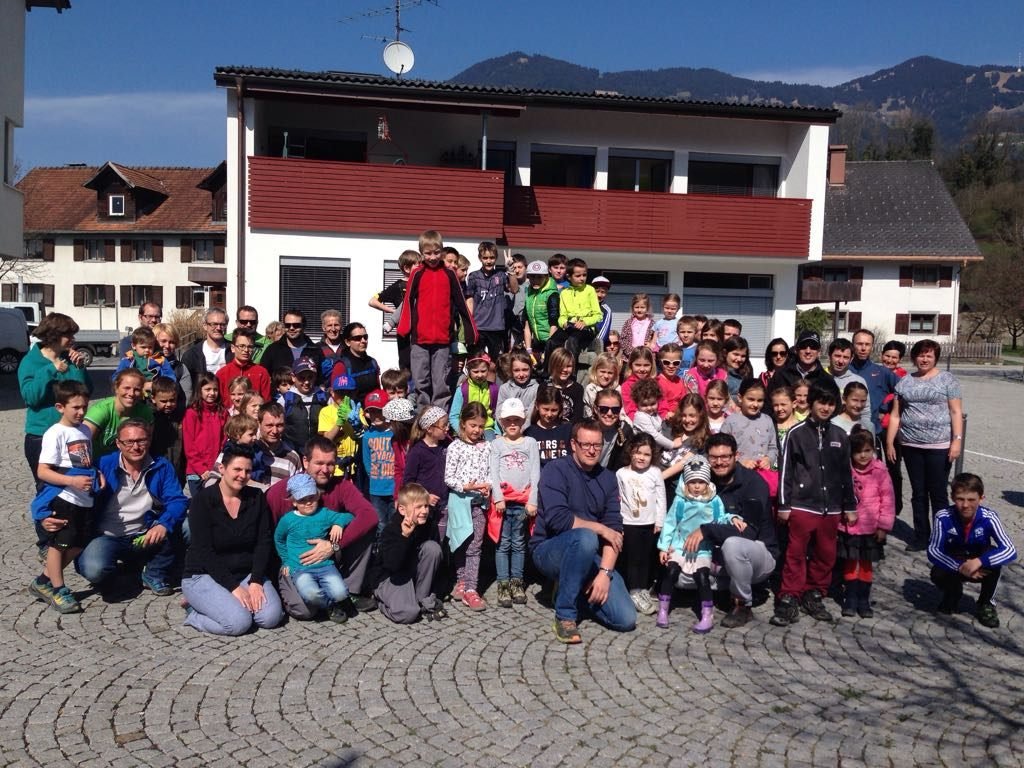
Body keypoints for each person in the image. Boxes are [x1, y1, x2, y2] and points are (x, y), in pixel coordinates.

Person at [531, 419, 637, 644]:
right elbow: (559, 520)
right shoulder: (555, 470)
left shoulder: (608, 479)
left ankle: (571, 589)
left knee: (625, 619)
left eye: (596, 445)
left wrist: (604, 574)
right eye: (585, 444)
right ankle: (565, 616)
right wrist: (600, 529)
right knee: (586, 537)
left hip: (590, 554)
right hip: (550, 550)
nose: (591, 450)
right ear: (573, 444)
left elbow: (615, 531)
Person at [772, 380, 856, 626]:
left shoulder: (840, 435)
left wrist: (849, 506)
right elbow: (786, 470)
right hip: (802, 506)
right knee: (795, 553)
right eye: (821, 402)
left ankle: (815, 591)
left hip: (830, 508)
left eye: (831, 404)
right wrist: (785, 505)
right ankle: (790, 595)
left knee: (826, 553)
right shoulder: (795, 433)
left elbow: (846, 473)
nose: (826, 408)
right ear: (811, 403)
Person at [266, 438, 378, 618]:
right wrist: (282, 566)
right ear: (305, 461)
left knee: (365, 528)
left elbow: (369, 515)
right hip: (295, 561)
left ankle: (350, 591)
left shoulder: (341, 485)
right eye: (319, 463)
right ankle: (322, 597)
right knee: (304, 611)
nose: (325, 470)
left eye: (330, 464)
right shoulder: (280, 492)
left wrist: (333, 545)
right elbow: (269, 535)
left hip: (328, 557)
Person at [75, 420, 188, 597]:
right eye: (129, 442)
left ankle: (154, 571)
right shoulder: (102, 465)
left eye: (141, 441)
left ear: (149, 441)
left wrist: (163, 525)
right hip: (108, 536)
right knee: (94, 569)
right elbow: (71, 494)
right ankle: (122, 574)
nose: (136, 447)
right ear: (118, 444)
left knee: (188, 525)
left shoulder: (161, 465)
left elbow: (177, 500)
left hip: (146, 532)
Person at [181, 442, 284, 635]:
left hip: (244, 572)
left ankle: (223, 604)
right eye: (237, 469)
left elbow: (264, 542)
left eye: (248, 471)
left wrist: (256, 581)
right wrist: (234, 588)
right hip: (204, 574)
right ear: (222, 468)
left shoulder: (256, 498)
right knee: (238, 623)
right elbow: (204, 551)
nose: (243, 476)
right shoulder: (203, 501)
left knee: (270, 618)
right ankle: (194, 612)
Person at [28, 381, 103, 614]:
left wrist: (97, 473)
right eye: (76, 407)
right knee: (59, 544)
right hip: (64, 498)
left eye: (85, 406)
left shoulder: (83, 431)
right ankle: (58, 589)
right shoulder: (55, 433)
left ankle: (43, 581)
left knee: (79, 543)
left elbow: (84, 461)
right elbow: (43, 471)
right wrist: (72, 481)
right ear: (60, 407)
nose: (81, 412)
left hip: (84, 498)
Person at [885, 339, 963, 551]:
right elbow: (895, 415)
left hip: (939, 445)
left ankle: (942, 538)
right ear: (914, 357)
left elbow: (956, 412)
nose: (924, 359)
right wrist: (890, 441)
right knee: (918, 493)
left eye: (929, 355)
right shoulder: (905, 382)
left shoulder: (947, 380)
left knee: (937, 493)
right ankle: (921, 536)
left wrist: (957, 441)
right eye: (921, 355)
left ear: (935, 357)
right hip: (911, 444)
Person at [703, 433, 778, 628]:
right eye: (714, 458)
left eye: (725, 457)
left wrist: (705, 530)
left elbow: (749, 532)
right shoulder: (704, 482)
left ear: (736, 456)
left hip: (757, 554)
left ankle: (743, 604)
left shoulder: (754, 483)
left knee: (733, 545)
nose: (719, 463)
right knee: (682, 578)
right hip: (716, 555)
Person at [397, 230, 478, 407]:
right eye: (428, 253)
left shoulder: (449, 274)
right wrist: (404, 328)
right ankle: (423, 416)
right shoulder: (417, 273)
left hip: (442, 339)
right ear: (421, 253)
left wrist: (471, 329)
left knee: (441, 381)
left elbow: (461, 302)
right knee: (421, 380)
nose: (432, 257)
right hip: (419, 338)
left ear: (442, 251)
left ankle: (440, 417)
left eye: (436, 253)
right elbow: (408, 301)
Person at [656, 456, 736, 633]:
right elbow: (670, 523)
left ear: (707, 482)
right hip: (680, 545)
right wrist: (664, 546)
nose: (697, 486)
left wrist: (732, 518)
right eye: (693, 482)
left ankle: (707, 613)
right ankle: (663, 609)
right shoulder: (680, 501)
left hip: (702, 548)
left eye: (701, 482)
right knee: (671, 572)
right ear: (686, 483)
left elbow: (721, 519)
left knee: (702, 577)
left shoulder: (714, 501)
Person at [928, 473, 1017, 628]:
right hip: (955, 561)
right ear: (952, 497)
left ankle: (986, 604)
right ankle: (953, 593)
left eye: (971, 500)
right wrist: (960, 567)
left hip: (979, 560)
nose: (965, 505)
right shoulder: (943, 517)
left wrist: (979, 561)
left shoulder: (989, 517)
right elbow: (933, 550)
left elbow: (1010, 549)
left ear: (981, 498)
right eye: (960, 499)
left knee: (995, 560)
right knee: (937, 573)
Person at [19, 312, 92, 489]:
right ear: (53, 336)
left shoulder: (69, 359)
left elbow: (85, 392)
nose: (73, 339)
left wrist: (80, 368)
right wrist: (50, 370)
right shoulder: (30, 362)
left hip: (73, 433)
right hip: (41, 435)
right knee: (48, 488)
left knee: (76, 483)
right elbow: (31, 397)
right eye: (69, 335)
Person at [273, 473, 356, 622]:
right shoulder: (288, 520)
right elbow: (278, 539)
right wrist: (286, 561)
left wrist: (339, 523)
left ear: (317, 496)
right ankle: (331, 606)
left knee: (341, 591)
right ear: (294, 502)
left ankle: (342, 600)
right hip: (300, 568)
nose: (308, 503)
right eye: (302, 499)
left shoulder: (324, 514)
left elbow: (349, 516)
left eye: (311, 497)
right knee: (310, 594)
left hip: (325, 566)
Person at [488, 398, 540, 608]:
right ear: (501, 421)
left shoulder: (530, 443)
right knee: (502, 544)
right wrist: (498, 497)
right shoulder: (497, 444)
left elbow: (536, 473)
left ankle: (517, 582)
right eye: (508, 420)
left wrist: (533, 499)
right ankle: (503, 583)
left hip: (523, 502)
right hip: (504, 503)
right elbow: (493, 472)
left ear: (523, 421)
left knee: (519, 543)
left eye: (516, 420)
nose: (512, 424)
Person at [839, 428, 895, 619]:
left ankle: (863, 599)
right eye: (858, 452)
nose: (863, 456)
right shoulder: (845, 471)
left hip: (871, 527)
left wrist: (884, 526)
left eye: (867, 451)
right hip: (849, 527)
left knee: (865, 564)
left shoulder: (880, 471)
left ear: (873, 450)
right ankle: (850, 597)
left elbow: (887, 500)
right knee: (849, 562)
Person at [372, 482, 447, 623]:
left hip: (411, 575)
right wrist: (404, 537)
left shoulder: (429, 524)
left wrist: (438, 589)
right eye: (418, 507)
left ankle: (420, 598)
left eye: (426, 506)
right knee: (408, 614)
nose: (424, 511)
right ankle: (381, 601)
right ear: (402, 509)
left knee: (433, 548)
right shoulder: (392, 529)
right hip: (390, 577)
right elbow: (392, 565)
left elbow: (435, 560)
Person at [444, 402, 492, 611]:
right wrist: (465, 486)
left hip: (478, 504)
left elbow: (490, 472)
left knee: (475, 546)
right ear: (463, 424)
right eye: (473, 425)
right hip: (459, 502)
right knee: (460, 542)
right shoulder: (455, 447)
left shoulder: (487, 447)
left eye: (480, 426)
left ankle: (472, 589)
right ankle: (461, 579)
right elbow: (448, 478)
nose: (477, 430)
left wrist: (488, 486)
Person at [615, 433, 666, 616]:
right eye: (638, 453)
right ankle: (633, 590)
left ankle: (642, 588)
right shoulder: (622, 473)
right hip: (629, 523)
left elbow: (661, 499)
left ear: (652, 456)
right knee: (631, 558)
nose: (641, 458)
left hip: (649, 523)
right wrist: (618, 523)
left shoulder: (655, 473)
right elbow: (619, 500)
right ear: (630, 452)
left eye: (646, 454)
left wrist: (660, 521)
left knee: (645, 558)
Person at [83, 369, 153, 458]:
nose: (131, 393)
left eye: (137, 389)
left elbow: (147, 445)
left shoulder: (145, 412)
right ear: (116, 388)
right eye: (127, 388)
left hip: (131, 463)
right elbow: (81, 446)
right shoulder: (100, 411)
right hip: (98, 464)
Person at [466, 241, 518, 359]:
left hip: (496, 326)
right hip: (478, 326)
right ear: (480, 258)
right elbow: (469, 299)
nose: (488, 261)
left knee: (494, 364)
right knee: (476, 361)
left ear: (496, 258)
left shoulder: (501, 275)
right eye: (485, 258)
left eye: (492, 257)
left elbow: (514, 289)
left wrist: (511, 271)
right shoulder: (473, 276)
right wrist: (470, 322)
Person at [369, 250, 419, 371]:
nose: (421, 268)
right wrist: (394, 312)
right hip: (405, 332)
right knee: (406, 364)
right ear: (407, 268)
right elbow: (372, 301)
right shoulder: (398, 286)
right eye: (418, 265)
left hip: (420, 330)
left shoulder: (422, 283)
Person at [182, 371, 228, 498]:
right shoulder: (192, 413)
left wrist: (216, 467)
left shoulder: (222, 413)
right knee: (198, 508)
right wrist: (202, 469)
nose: (212, 393)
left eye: (215, 389)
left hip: (216, 470)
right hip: (196, 472)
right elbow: (189, 446)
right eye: (207, 389)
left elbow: (224, 441)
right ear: (200, 390)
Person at [403, 405, 450, 526]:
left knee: (439, 541)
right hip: (423, 508)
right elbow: (408, 482)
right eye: (443, 425)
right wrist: (425, 497)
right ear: (430, 429)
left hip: (443, 505)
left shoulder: (446, 445)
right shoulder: (417, 451)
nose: (447, 428)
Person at [548, 257, 601, 362]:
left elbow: (598, 315)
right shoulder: (564, 293)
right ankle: (546, 371)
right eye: (578, 276)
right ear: (569, 276)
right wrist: (564, 323)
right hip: (570, 327)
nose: (582, 278)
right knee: (551, 342)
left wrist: (585, 322)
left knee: (572, 340)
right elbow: (562, 316)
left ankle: (571, 371)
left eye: (584, 275)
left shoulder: (590, 290)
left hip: (586, 329)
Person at [721, 379, 777, 471]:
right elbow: (723, 449)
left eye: (760, 400)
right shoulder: (730, 421)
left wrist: (768, 459)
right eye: (751, 399)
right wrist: (740, 461)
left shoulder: (767, 420)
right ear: (740, 398)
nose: (755, 404)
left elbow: (773, 447)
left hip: (763, 474)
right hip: (739, 473)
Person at [850, 328, 898, 434]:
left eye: (867, 344)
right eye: (859, 344)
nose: (863, 348)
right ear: (852, 345)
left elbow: (905, 390)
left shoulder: (882, 372)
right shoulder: (844, 370)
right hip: (845, 430)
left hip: (872, 431)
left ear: (872, 347)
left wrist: (884, 409)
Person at [360, 389, 396, 533]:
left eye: (379, 410)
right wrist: (374, 477)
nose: (376, 415)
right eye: (372, 412)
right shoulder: (367, 436)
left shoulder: (395, 432)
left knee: (394, 524)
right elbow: (366, 461)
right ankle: (380, 553)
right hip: (376, 488)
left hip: (394, 487)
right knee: (380, 524)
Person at [261, 309, 326, 385]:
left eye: (296, 325)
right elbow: (264, 378)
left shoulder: (315, 350)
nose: (291, 328)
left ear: (304, 326)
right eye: (288, 325)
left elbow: (321, 379)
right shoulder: (273, 350)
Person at [249, 402, 303, 492]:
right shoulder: (246, 449)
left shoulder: (292, 458)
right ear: (259, 423)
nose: (275, 431)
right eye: (269, 425)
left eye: (279, 425)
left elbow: (297, 493)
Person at [280, 357, 330, 449]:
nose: (306, 382)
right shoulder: (285, 399)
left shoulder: (324, 397)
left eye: (310, 377)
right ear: (293, 377)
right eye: (302, 378)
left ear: (315, 376)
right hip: (292, 450)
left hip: (319, 449)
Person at [825, 338, 872, 431]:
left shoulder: (858, 381)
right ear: (829, 356)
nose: (841, 361)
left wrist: (865, 431)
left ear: (851, 359)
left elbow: (865, 412)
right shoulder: (820, 377)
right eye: (837, 356)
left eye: (845, 357)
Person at [331, 322, 381, 406]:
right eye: (358, 338)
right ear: (347, 342)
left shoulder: (372, 362)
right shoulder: (342, 365)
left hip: (372, 413)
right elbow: (336, 395)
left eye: (365, 337)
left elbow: (377, 390)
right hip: (352, 414)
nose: (363, 341)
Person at [767, 330, 828, 397]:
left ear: (819, 352)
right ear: (796, 350)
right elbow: (768, 404)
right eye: (803, 346)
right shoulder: (780, 376)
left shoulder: (826, 380)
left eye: (813, 347)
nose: (808, 351)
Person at [216, 327, 271, 401]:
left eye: (250, 347)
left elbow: (266, 403)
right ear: (233, 348)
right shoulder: (222, 374)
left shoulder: (261, 373)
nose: (246, 350)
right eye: (242, 346)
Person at [180, 307, 233, 383]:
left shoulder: (234, 351)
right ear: (205, 326)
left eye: (222, 324)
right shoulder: (191, 355)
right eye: (214, 324)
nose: (218, 328)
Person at [148, 376, 185, 485]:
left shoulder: (180, 415)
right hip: (155, 467)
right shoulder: (150, 417)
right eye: (163, 401)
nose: (168, 404)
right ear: (153, 398)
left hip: (177, 468)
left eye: (172, 400)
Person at [525, 386, 572, 468]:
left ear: (560, 408)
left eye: (554, 410)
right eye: (545, 409)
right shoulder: (529, 433)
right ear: (537, 406)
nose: (549, 414)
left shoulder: (568, 430)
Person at [153, 323, 192, 413]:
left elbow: (186, 399)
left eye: (171, 342)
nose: (167, 346)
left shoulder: (181, 368)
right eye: (163, 341)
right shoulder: (144, 365)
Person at [593, 388, 634, 471]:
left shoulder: (624, 431)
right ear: (596, 409)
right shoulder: (585, 429)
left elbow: (624, 463)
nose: (609, 414)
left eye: (615, 410)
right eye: (604, 409)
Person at [496, 349, 539, 423]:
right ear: (511, 370)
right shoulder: (505, 388)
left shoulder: (536, 389)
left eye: (525, 370)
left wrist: (520, 431)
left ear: (531, 369)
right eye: (517, 370)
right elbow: (499, 412)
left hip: (527, 430)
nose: (521, 374)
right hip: (507, 430)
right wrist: (508, 430)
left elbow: (530, 414)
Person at [546, 347, 585, 424]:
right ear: (553, 366)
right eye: (560, 365)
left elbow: (578, 417)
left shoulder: (578, 389)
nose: (564, 369)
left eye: (568, 366)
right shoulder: (545, 387)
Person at [621, 346, 657, 421]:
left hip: (656, 420)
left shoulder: (656, 383)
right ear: (631, 365)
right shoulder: (627, 386)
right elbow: (630, 409)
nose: (642, 369)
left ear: (651, 365)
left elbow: (662, 403)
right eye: (638, 365)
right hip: (637, 422)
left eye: (646, 365)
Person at [583, 352, 620, 419]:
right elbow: (599, 410)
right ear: (595, 370)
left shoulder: (618, 389)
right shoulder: (591, 388)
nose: (606, 376)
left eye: (610, 373)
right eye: (602, 372)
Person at [656, 343, 686, 418]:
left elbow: (684, 401)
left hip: (680, 415)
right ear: (660, 362)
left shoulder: (680, 380)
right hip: (666, 419)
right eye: (666, 362)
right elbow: (662, 408)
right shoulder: (658, 382)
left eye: (676, 363)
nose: (671, 366)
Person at [619, 293, 654, 358]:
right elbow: (623, 339)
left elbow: (655, 339)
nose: (639, 310)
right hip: (629, 357)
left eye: (642, 307)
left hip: (646, 356)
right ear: (632, 308)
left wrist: (651, 345)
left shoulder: (652, 324)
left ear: (647, 308)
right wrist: (630, 352)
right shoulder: (629, 323)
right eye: (637, 307)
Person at [591, 275, 614, 348]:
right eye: (597, 291)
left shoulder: (607, 310)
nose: (599, 295)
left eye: (603, 292)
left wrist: (596, 344)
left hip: (596, 345)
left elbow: (604, 331)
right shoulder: (586, 306)